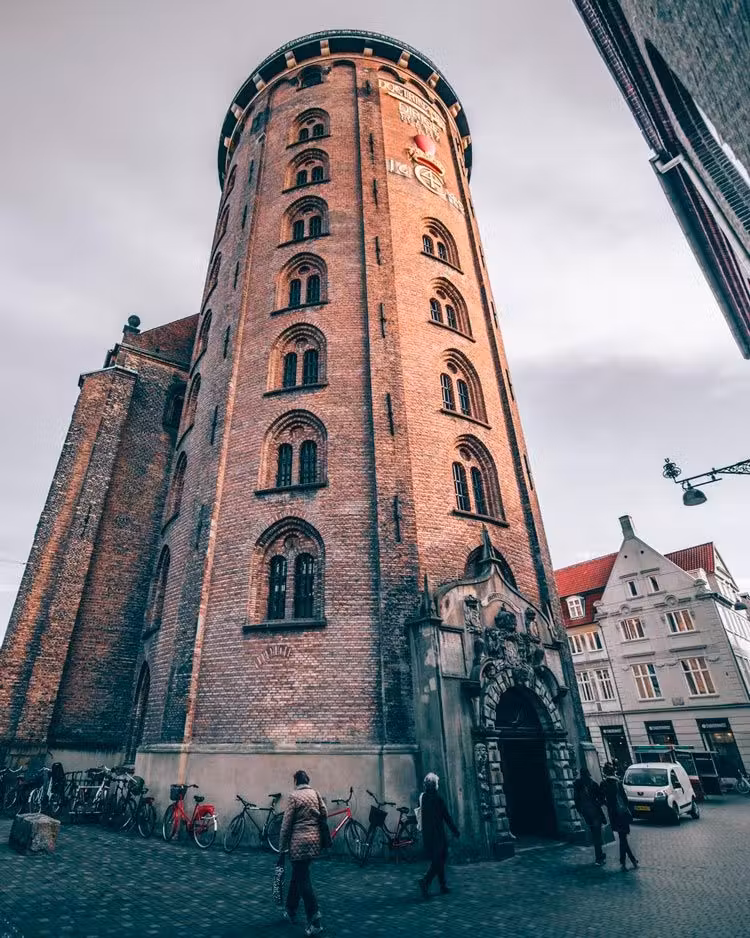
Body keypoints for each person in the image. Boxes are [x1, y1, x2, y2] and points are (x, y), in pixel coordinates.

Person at [278, 770, 327, 936]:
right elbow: (324, 813)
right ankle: (291, 910)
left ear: (295, 781)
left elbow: (286, 825)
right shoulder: (315, 793)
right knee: (298, 875)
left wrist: (282, 847)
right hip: (314, 842)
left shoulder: (294, 797)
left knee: (303, 880)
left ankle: (315, 920)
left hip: (298, 843)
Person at [417, 772, 460, 899]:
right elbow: (446, 816)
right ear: (434, 785)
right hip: (438, 834)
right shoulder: (437, 799)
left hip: (428, 835)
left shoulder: (423, 798)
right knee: (440, 858)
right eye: (435, 783)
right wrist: (454, 830)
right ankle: (426, 881)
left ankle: (442, 885)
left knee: (438, 859)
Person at [601, 762, 638, 871]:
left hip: (613, 814)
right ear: (613, 771)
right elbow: (625, 800)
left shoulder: (603, 784)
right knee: (623, 838)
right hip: (622, 813)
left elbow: (601, 798)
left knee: (622, 838)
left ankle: (630, 860)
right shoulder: (618, 783)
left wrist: (608, 804)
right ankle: (627, 861)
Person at [573, 766, 606, 865]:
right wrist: (599, 804)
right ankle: (599, 857)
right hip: (595, 812)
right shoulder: (593, 784)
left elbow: (576, 799)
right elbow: (601, 797)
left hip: (586, 813)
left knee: (594, 833)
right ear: (588, 774)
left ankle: (599, 855)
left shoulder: (577, 785)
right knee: (597, 835)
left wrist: (580, 810)